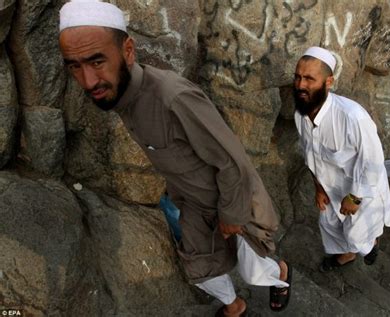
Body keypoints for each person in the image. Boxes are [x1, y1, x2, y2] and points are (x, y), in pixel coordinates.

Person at [58, 0, 291, 315]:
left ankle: (281, 276)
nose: (87, 81)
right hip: (194, 204)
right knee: (200, 269)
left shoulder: (173, 97)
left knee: (254, 270)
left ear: (128, 50)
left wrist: (232, 216)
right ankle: (235, 306)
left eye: (97, 61)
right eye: (74, 65)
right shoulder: (122, 96)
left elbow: (231, 161)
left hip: (233, 200)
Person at [293, 46, 390, 271]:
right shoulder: (300, 115)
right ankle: (346, 255)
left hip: (361, 190)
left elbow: (373, 162)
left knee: (359, 234)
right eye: (298, 77)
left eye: (309, 78)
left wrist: (355, 197)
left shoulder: (352, 117)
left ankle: (372, 244)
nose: (301, 85)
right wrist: (318, 188)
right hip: (330, 188)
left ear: (328, 82)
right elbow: (311, 156)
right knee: (329, 224)